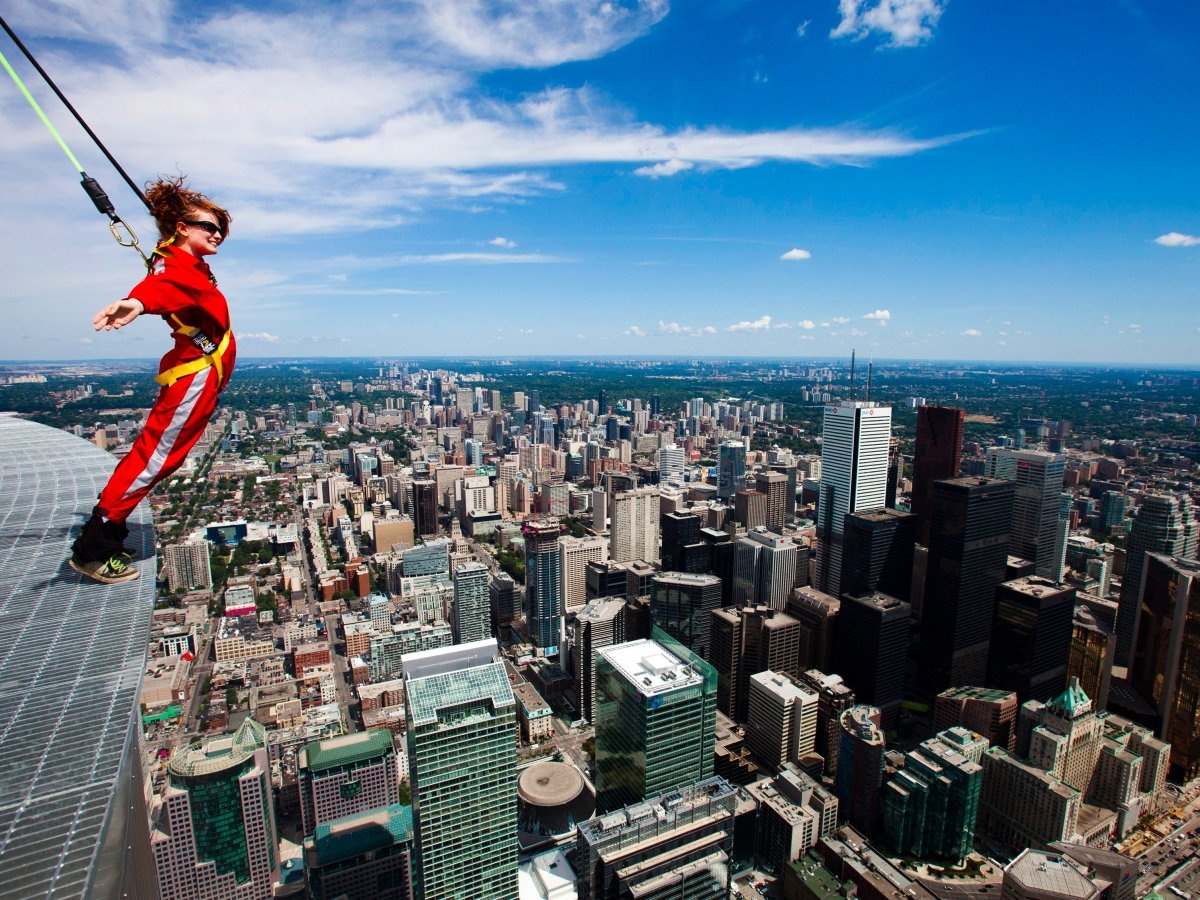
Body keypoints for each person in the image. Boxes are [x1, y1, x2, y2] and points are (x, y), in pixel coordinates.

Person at [70, 177, 236, 583]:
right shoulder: (176, 267)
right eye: (206, 226)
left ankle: (110, 528)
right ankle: (95, 548)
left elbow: (171, 282)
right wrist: (138, 302)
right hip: (193, 375)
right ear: (182, 227)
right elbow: (161, 288)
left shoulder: (183, 262)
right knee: (155, 458)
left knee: (158, 456)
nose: (216, 234)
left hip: (199, 373)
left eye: (220, 229)